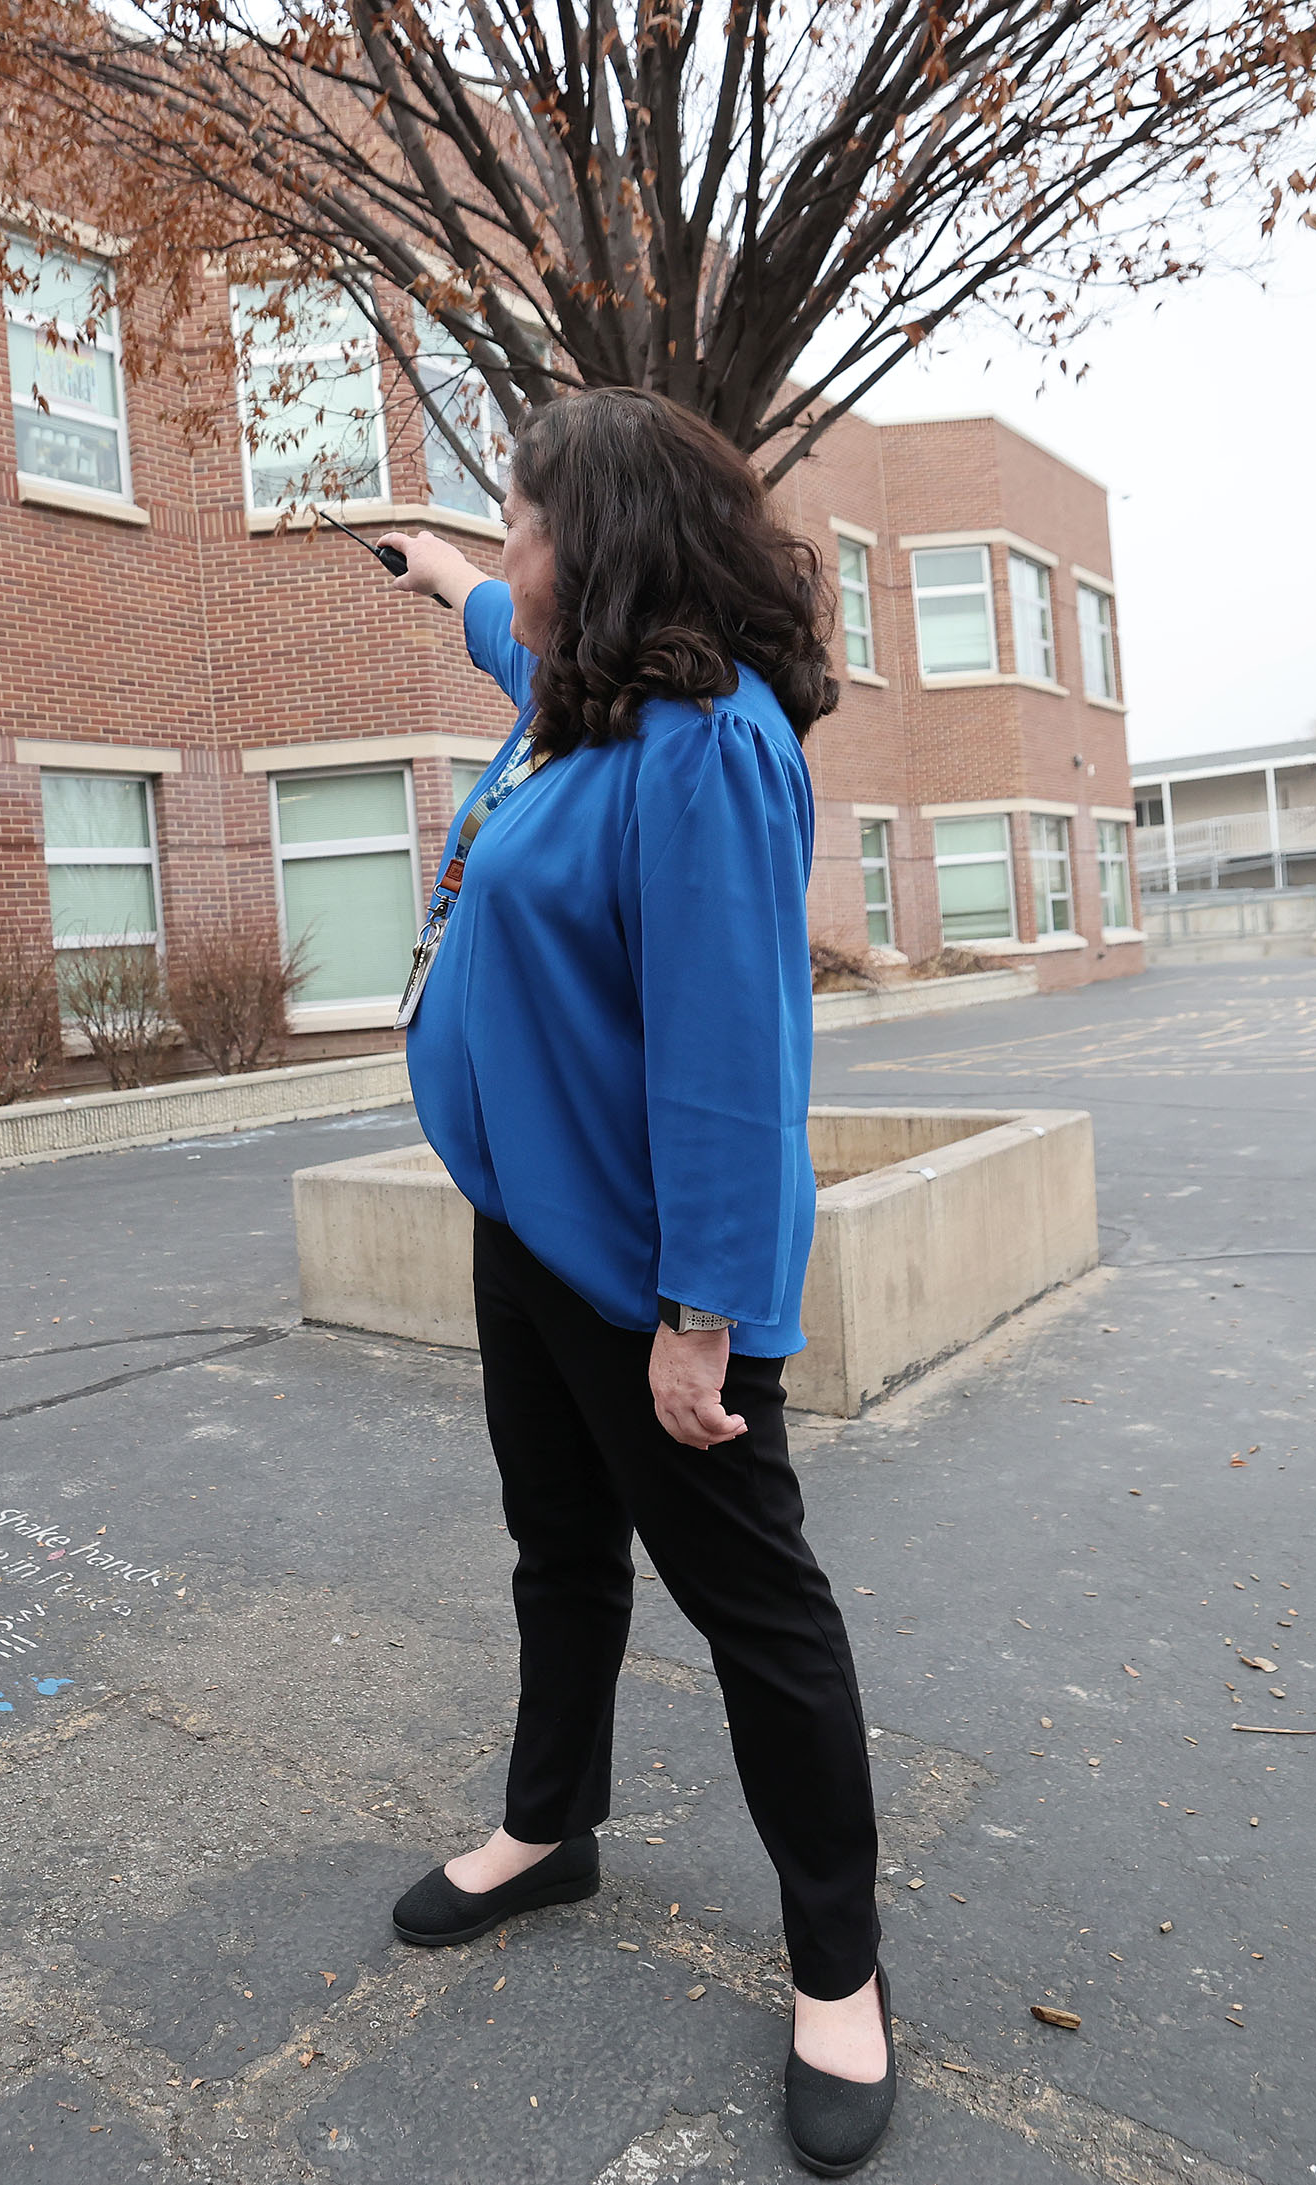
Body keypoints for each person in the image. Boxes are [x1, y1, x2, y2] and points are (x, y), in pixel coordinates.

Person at [375, 388, 895, 2177]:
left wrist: (704, 1319)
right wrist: (430, 564)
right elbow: (497, 622)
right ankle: (552, 1826)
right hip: (525, 1228)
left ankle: (840, 1965)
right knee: (556, 1549)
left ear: (600, 544)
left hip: (643, 1275)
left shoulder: (706, 746)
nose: (507, 552)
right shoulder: (578, 689)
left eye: (521, 522)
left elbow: (731, 1061)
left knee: (756, 1609)